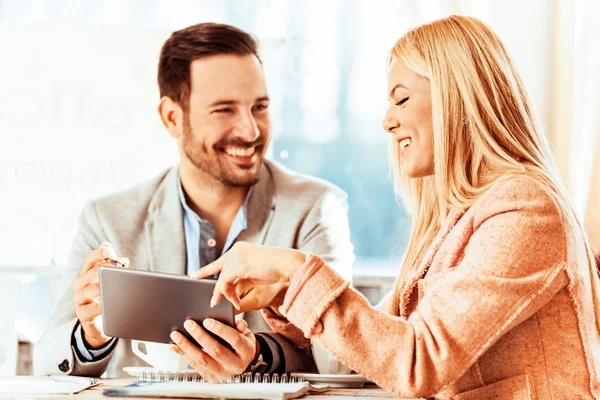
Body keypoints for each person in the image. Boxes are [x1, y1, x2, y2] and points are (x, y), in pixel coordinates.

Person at [191, 15, 600, 399]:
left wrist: (297, 269)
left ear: (455, 98)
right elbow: (377, 352)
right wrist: (282, 299)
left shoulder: (524, 210)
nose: (387, 121)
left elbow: (418, 361)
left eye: (401, 100)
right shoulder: (455, 221)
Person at [34, 22, 354, 378]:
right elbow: (48, 360)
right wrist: (90, 336)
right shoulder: (107, 218)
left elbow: (339, 351)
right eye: (224, 110)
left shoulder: (315, 208)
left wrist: (257, 355)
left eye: (259, 107)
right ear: (172, 117)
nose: (251, 131)